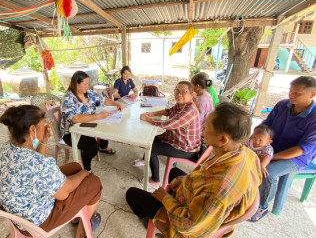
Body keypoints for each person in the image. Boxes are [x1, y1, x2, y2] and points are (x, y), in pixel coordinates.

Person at [126, 102, 262, 237]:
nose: (202, 127)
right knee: (175, 173)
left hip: (187, 225)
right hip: (198, 201)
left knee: (132, 194)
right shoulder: (248, 154)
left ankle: (152, 221)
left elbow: (188, 226)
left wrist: (166, 198)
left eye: (207, 125)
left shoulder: (219, 188)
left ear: (222, 139)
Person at [0, 105, 102, 238]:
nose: (45, 128)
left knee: (74, 167)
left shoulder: (5, 148)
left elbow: (38, 170)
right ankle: (82, 232)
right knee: (94, 182)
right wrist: (85, 173)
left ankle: (76, 216)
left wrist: (43, 141)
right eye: (43, 125)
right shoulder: (39, 164)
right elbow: (65, 192)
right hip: (36, 222)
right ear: (33, 130)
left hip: (19, 209)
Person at [250, 75, 316, 222]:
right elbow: (265, 127)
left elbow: (300, 150)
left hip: (296, 157)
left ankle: (261, 207)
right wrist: (255, 143)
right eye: (290, 91)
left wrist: (269, 157)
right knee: (244, 159)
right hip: (272, 146)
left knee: (268, 173)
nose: (291, 96)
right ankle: (246, 196)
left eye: (296, 93)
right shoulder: (282, 105)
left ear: (312, 94)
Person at [132, 81, 201, 189]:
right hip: (177, 140)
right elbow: (169, 111)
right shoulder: (181, 105)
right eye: (177, 91)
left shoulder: (189, 111)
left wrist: (148, 119)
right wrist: (152, 114)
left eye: (184, 92)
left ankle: (155, 181)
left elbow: (168, 124)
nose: (179, 94)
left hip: (185, 148)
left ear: (191, 95)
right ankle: (145, 160)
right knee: (151, 139)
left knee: (152, 149)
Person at [61, 70, 123, 171]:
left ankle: (103, 147)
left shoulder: (88, 93)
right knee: (92, 147)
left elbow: (103, 100)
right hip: (72, 132)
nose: (87, 86)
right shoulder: (68, 98)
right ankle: (86, 169)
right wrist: (99, 116)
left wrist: (117, 104)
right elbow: (75, 118)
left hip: (89, 125)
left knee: (107, 127)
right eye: (84, 84)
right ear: (76, 84)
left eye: (88, 84)